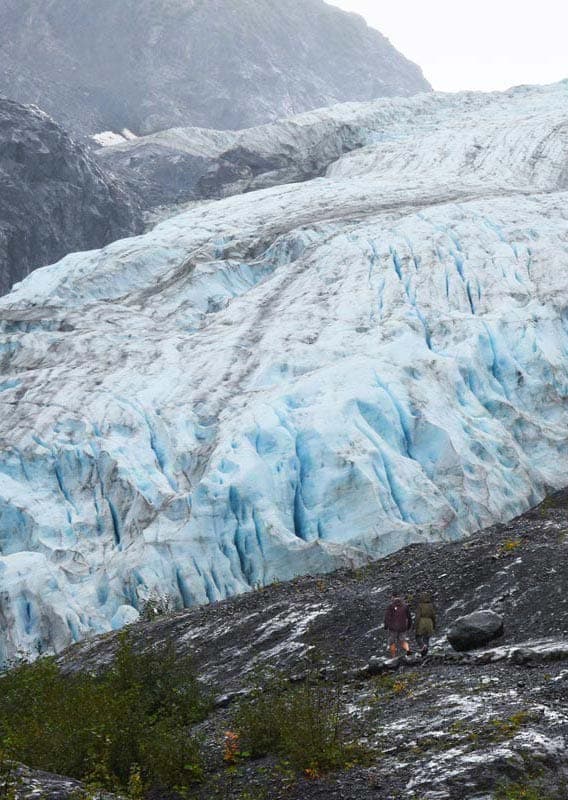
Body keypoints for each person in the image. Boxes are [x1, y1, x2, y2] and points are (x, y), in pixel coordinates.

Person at [384, 591, 413, 658]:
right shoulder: (405, 606)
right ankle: (408, 651)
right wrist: (409, 626)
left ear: (393, 597)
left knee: (392, 641)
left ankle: (393, 656)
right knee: (403, 640)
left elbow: (387, 617)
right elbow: (409, 617)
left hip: (393, 627)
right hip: (403, 627)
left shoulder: (390, 606)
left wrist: (386, 626)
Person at [415, 592, 437, 657]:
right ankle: (425, 653)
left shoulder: (420, 605)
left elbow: (417, 617)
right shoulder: (431, 605)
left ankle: (422, 646)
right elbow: (433, 616)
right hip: (429, 622)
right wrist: (434, 625)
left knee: (417, 637)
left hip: (422, 622)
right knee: (426, 638)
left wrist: (415, 626)